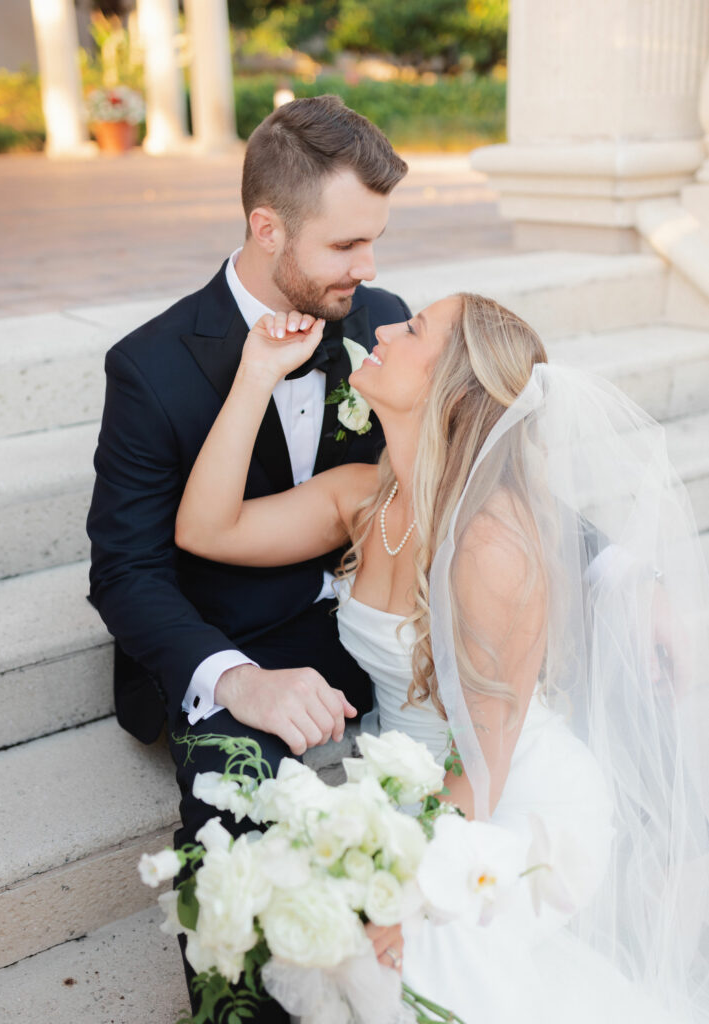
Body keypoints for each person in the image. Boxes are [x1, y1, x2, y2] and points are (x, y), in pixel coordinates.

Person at [175, 294, 709, 1023]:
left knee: (427, 970)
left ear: (451, 388)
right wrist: (255, 373)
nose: (384, 328)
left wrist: (408, 885)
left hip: (509, 804)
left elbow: (482, 759)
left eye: (414, 328)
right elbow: (208, 528)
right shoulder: (363, 498)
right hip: (415, 796)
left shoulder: (493, 546)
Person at [86, 95, 410, 1020]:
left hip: (368, 614)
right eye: (346, 245)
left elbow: (463, 471)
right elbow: (125, 572)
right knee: (232, 825)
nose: (371, 267)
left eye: (375, 239)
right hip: (234, 639)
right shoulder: (151, 366)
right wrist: (236, 681)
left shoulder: (379, 318)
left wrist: (613, 573)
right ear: (267, 229)